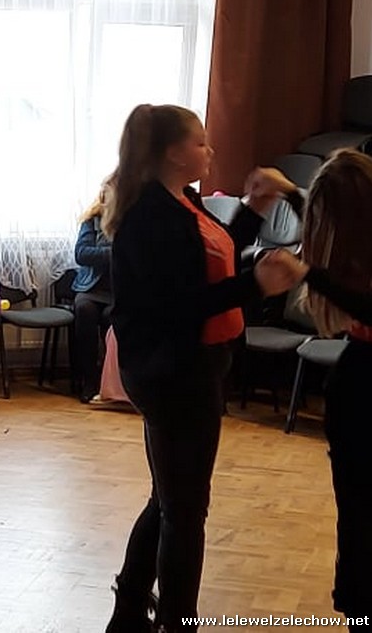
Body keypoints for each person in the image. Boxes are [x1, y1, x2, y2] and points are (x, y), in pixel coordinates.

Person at [102, 105, 298, 632]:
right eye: (200, 143)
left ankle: (129, 610)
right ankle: (176, 621)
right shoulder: (151, 216)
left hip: (190, 366)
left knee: (170, 499)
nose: (209, 151)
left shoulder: (181, 201)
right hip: (173, 373)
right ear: (172, 153)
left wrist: (254, 208)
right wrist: (257, 284)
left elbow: (217, 257)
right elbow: (182, 304)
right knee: (186, 510)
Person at [258, 150, 372, 631]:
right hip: (360, 380)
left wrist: (309, 273)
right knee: (358, 514)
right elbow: (337, 214)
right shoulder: (367, 225)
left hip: (366, 385)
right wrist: (289, 192)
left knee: (361, 514)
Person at [74, 174, 116, 403]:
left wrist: (105, 254)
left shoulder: (132, 221)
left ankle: (110, 384)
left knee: (113, 317)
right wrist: (114, 253)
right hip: (90, 288)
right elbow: (82, 254)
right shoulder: (91, 220)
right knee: (84, 310)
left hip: (118, 291)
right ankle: (89, 380)